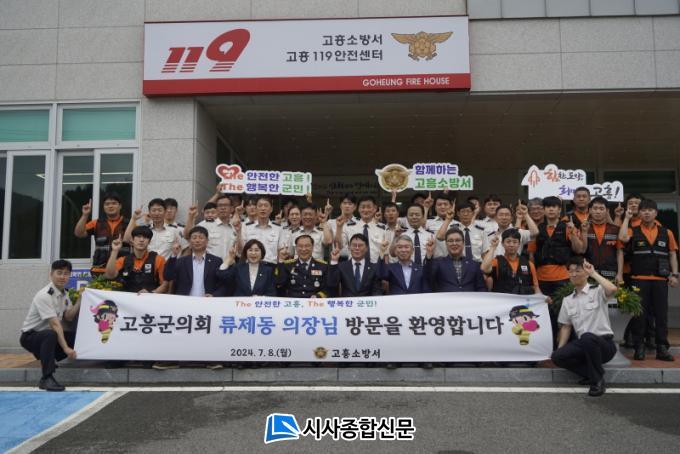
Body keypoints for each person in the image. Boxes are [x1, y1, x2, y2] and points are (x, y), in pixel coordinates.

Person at [619, 198, 678, 361]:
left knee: (661, 315)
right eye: (643, 210)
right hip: (639, 279)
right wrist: (627, 218)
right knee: (639, 315)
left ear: (656, 213)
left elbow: (672, 254)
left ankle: (662, 348)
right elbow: (622, 238)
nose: (646, 213)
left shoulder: (667, 232)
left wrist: (674, 275)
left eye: (650, 210)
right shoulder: (633, 230)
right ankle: (639, 347)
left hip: (660, 280)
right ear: (639, 213)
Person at [551, 257, 618, 397]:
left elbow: (612, 289)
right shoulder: (567, 300)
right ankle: (591, 374)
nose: (573, 274)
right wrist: (561, 349)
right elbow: (566, 327)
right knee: (557, 357)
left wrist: (593, 273)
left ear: (586, 273)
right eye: (570, 271)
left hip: (604, 345)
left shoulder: (597, 291)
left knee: (587, 337)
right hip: (584, 345)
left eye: (577, 271)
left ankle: (597, 381)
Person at [19, 260, 80, 391]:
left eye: (66, 273)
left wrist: (80, 300)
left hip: (48, 336)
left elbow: (68, 316)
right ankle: (46, 378)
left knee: (77, 337)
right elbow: (55, 324)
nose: (63, 277)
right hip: (30, 337)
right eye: (59, 273)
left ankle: (48, 357)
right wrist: (66, 348)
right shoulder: (45, 295)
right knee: (51, 334)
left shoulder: (65, 294)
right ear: (51, 274)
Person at [74, 192, 130, 276]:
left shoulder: (129, 224)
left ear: (120, 206)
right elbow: (79, 233)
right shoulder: (96, 223)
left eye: (114, 203)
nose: (110, 206)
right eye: (107, 204)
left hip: (122, 270)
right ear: (103, 207)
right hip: (99, 270)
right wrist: (85, 215)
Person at [163, 226, 226, 297]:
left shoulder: (216, 261)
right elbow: (167, 276)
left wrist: (214, 295)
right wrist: (174, 255)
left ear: (207, 241)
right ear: (189, 242)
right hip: (185, 301)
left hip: (208, 301)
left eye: (201, 238)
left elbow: (223, 285)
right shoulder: (181, 261)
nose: (197, 241)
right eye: (194, 238)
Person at [104, 227, 168, 294]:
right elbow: (109, 275)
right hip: (126, 299)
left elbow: (165, 285)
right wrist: (115, 250)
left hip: (150, 298)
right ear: (132, 240)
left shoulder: (158, 259)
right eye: (138, 236)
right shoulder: (123, 260)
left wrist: (151, 293)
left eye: (145, 237)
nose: (141, 240)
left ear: (149, 241)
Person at [481, 229, 541, 295]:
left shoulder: (529, 264)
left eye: (515, 242)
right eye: (508, 242)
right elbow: (484, 268)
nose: (511, 245)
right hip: (503, 300)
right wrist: (493, 247)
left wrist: (541, 297)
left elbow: (536, 287)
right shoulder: (497, 262)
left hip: (523, 300)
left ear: (519, 244)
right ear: (502, 244)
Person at [579, 196, 623, 282]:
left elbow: (619, 252)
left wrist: (620, 274)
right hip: (588, 274)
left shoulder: (615, 229)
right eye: (595, 208)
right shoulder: (583, 228)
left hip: (610, 274)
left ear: (607, 211)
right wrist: (584, 232)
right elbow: (581, 250)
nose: (598, 211)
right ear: (590, 210)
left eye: (601, 209)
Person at [185, 196, 238, 260]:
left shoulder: (236, 227)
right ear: (216, 209)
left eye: (226, 205)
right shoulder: (206, 224)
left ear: (232, 209)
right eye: (220, 205)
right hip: (210, 264)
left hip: (229, 264)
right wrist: (191, 217)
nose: (223, 208)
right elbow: (188, 236)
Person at [338, 196, 387, 263]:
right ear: (358, 209)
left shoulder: (383, 229)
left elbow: (386, 252)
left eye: (369, 207)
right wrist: (339, 228)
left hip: (376, 266)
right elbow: (340, 246)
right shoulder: (349, 227)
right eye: (363, 207)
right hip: (355, 266)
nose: (366, 210)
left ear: (375, 208)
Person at [240, 196, 283, 266]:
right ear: (256, 209)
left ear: (271, 209)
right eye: (260, 206)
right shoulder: (246, 227)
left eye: (266, 206)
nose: (263, 208)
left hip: (271, 266)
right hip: (251, 265)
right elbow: (241, 250)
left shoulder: (278, 229)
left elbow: (280, 252)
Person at [323, 194, 359, 261]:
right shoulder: (331, 222)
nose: (347, 206)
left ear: (355, 207)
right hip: (336, 259)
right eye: (344, 203)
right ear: (340, 205)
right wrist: (326, 215)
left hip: (354, 260)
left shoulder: (359, 223)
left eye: (350, 204)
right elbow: (327, 241)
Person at [426, 193, 454, 258]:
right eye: (439, 204)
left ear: (451, 206)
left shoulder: (458, 224)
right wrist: (426, 208)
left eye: (445, 204)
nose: (442, 207)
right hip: (434, 259)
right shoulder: (428, 222)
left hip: (453, 260)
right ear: (435, 207)